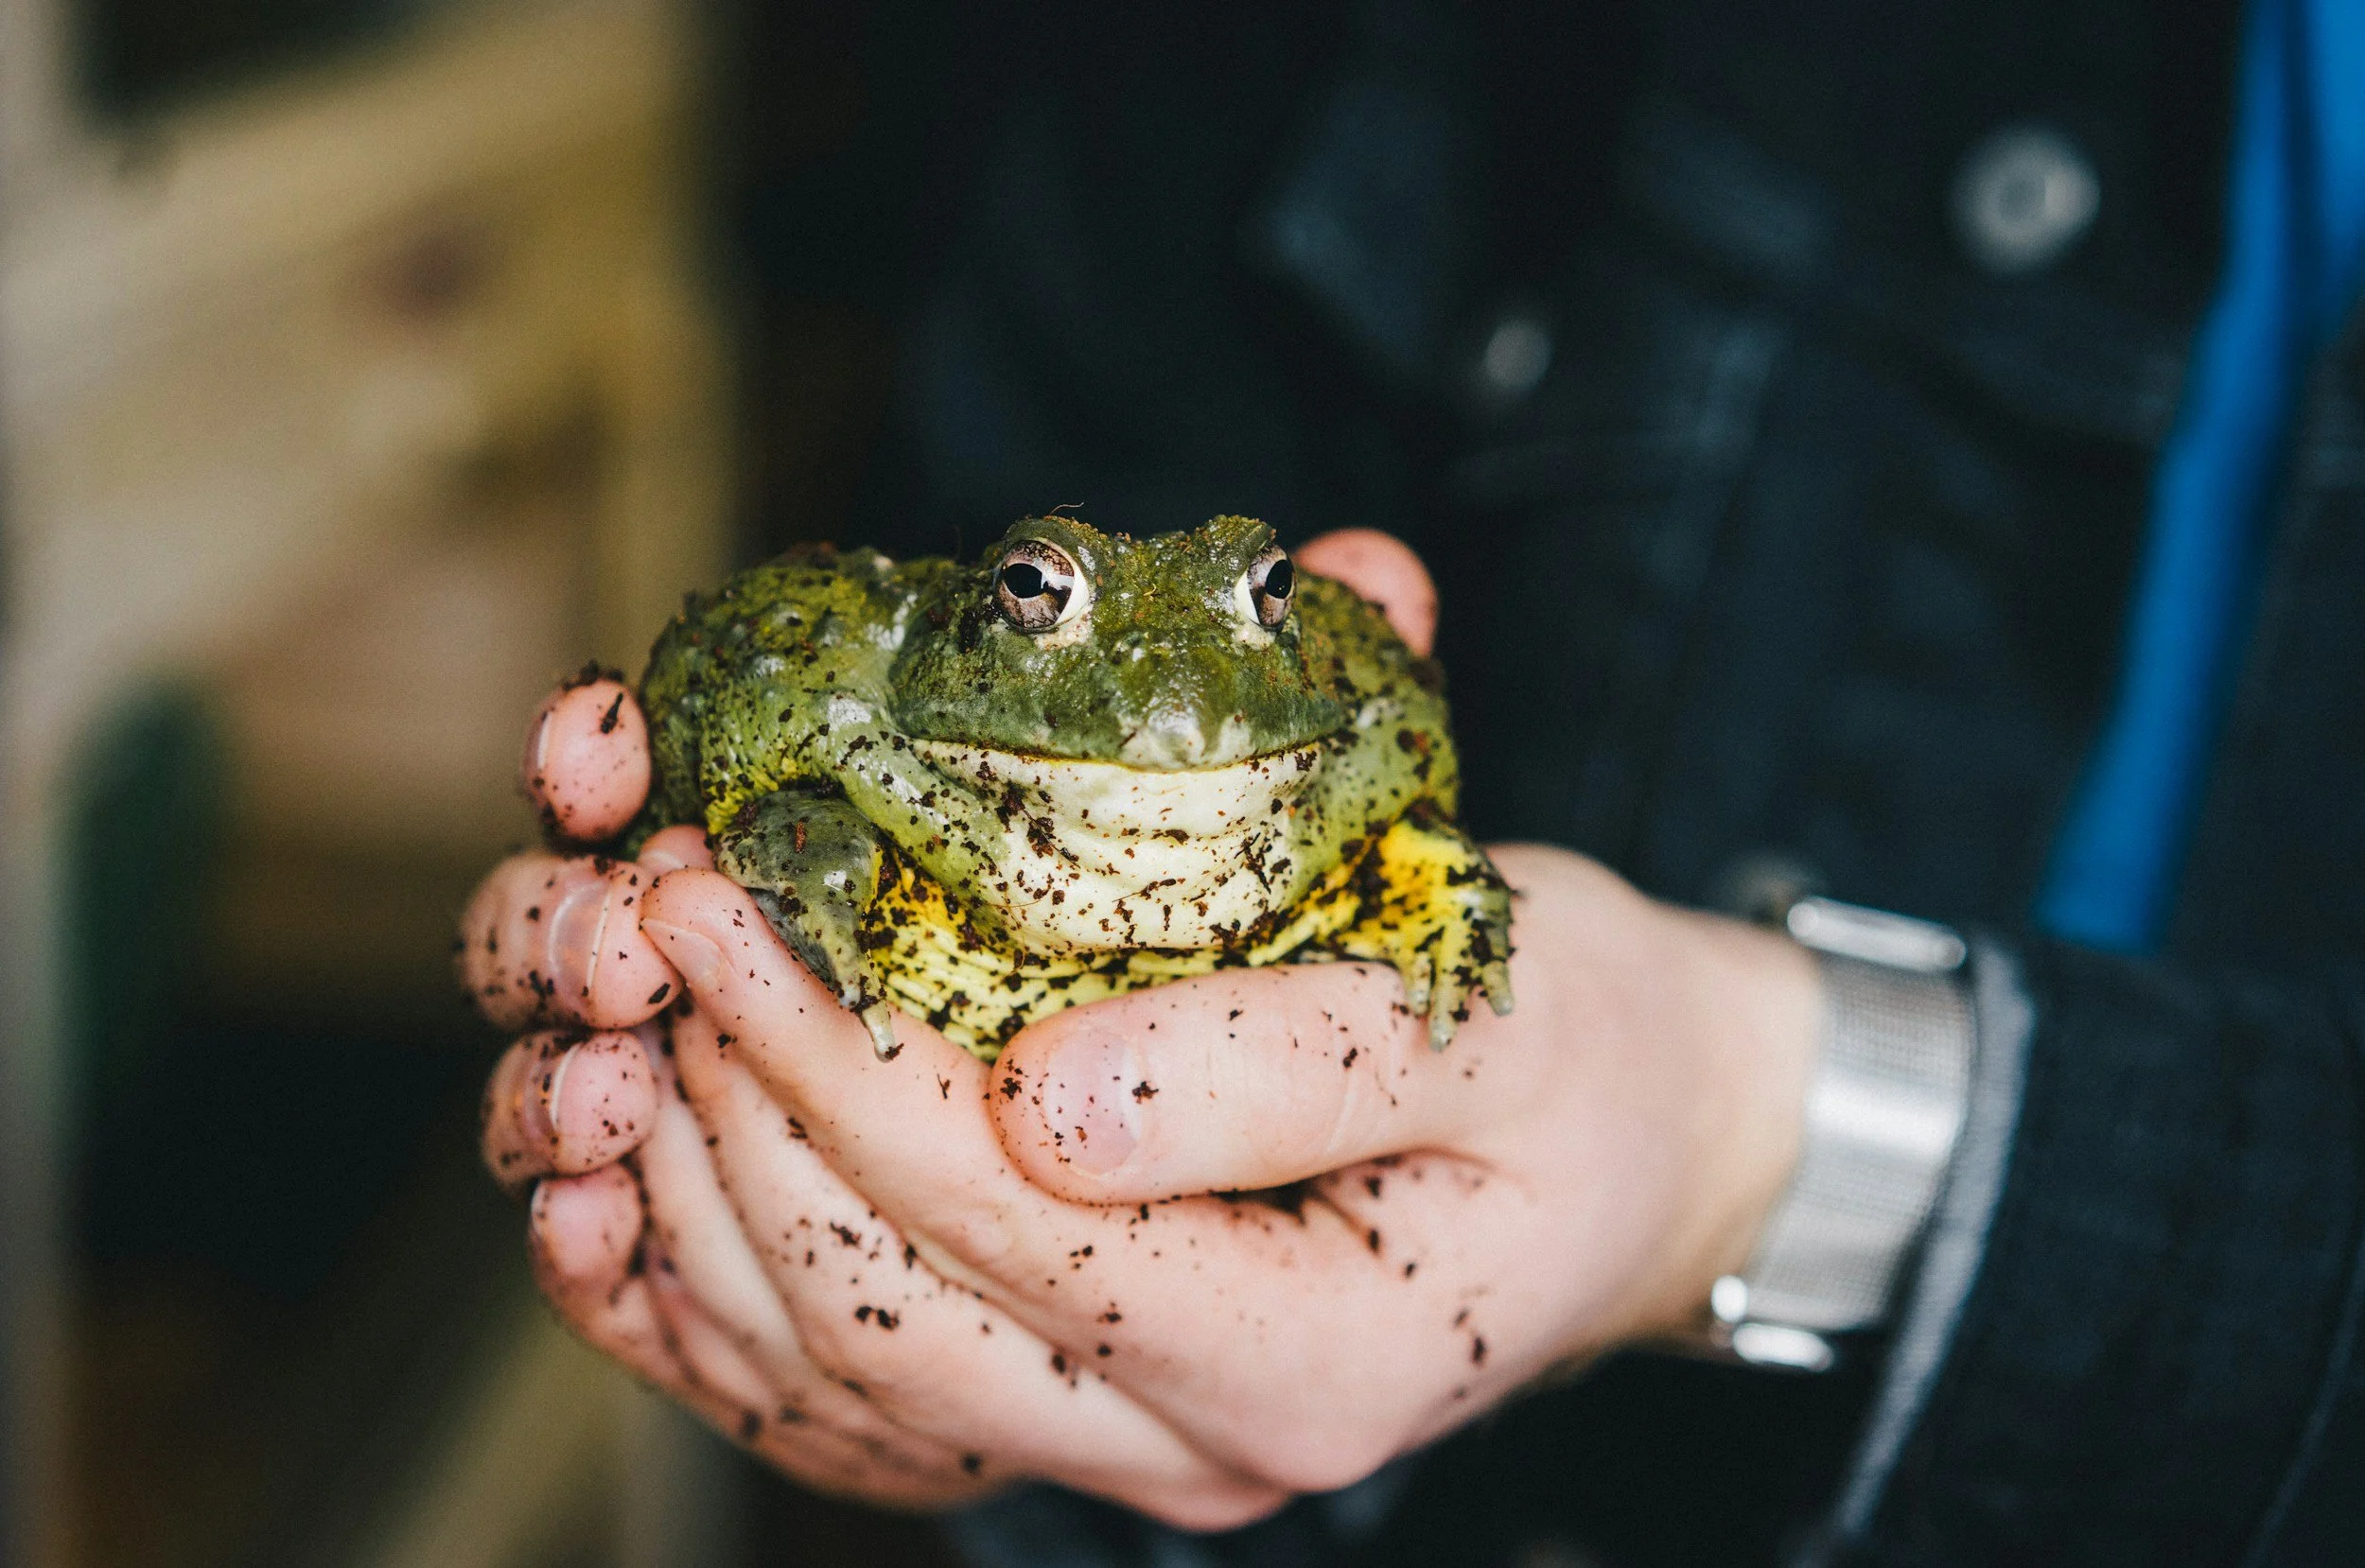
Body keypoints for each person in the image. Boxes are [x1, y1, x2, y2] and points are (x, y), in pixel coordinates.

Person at [464, 1, 2365, 1562]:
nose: (1172, 697)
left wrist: (1737, 1130)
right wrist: (979, 1368)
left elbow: (1401, 805)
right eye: (1046, 608)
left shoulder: (1332, 740)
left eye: (1254, 607)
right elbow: (1012, 432)